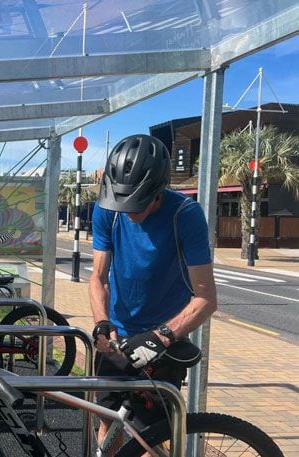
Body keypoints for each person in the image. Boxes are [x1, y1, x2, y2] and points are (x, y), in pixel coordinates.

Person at [89, 134, 218, 453]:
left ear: (157, 190)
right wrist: (102, 322)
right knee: (107, 420)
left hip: (164, 340)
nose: (129, 210)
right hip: (118, 337)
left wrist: (160, 337)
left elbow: (206, 299)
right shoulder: (109, 208)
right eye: (123, 201)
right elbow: (98, 277)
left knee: (151, 436)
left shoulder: (184, 215)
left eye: (138, 202)